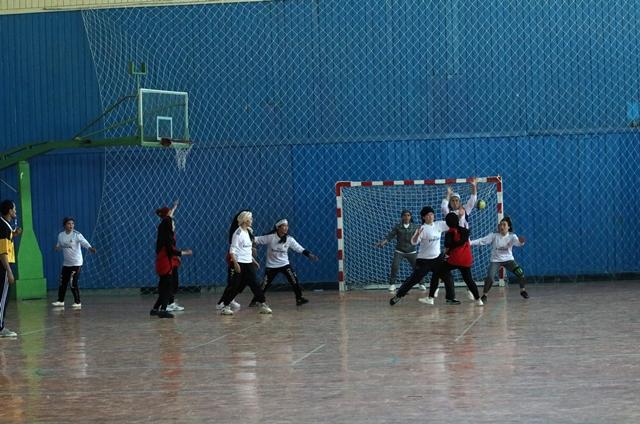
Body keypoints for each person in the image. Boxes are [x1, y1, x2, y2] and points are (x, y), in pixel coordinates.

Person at [389, 206, 459, 306]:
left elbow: (453, 224)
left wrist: (458, 215)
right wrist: (417, 235)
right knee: (414, 279)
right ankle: (399, 295)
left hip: (437, 259)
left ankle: (450, 298)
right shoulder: (421, 229)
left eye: (432, 214)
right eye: (428, 215)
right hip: (424, 260)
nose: (430, 216)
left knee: (447, 276)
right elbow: (413, 242)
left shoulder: (439, 224)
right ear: (423, 217)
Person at [249, 218, 318, 306]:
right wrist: (247, 235)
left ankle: (299, 298)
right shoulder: (271, 237)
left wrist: (309, 254)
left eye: (287, 226)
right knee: (264, 285)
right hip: (271, 266)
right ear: (278, 227)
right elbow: (256, 239)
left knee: (294, 280)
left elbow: (299, 248)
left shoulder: (289, 239)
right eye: (284, 226)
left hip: (284, 264)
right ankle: (255, 301)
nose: (286, 228)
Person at [219, 211, 272, 316]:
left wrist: (254, 260)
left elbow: (246, 250)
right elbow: (232, 250)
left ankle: (263, 304)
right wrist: (235, 263)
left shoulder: (249, 231)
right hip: (239, 263)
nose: (252, 221)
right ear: (245, 220)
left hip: (248, 264)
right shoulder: (237, 233)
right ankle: (225, 306)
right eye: (250, 219)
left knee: (255, 285)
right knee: (235, 286)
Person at [470, 216, 528, 302]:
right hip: (496, 260)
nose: (502, 227)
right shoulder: (494, 236)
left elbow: (518, 243)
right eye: (500, 225)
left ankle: (522, 290)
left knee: (520, 272)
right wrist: (470, 243)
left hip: (508, 260)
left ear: (508, 227)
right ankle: (485, 295)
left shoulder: (512, 236)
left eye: (504, 225)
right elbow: (482, 241)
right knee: (490, 277)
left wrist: (521, 241)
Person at [431, 212, 483, 306]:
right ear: (458, 221)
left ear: (447, 223)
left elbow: (448, 246)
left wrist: (446, 254)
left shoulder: (449, 233)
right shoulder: (465, 231)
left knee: (438, 272)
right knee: (469, 280)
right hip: (466, 259)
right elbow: (461, 242)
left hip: (454, 259)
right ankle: (478, 299)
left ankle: (432, 295)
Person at [441, 178, 478, 300]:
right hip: (452, 244)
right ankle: (436, 289)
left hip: (463, 245)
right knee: (442, 267)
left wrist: (473, 185)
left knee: (466, 273)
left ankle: (470, 290)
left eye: (457, 200)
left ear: (460, 202)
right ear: (450, 202)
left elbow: (473, 199)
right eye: (453, 200)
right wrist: (448, 194)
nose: (455, 202)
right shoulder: (448, 214)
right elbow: (443, 206)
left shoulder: (465, 210)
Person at [151, 211, 192, 318]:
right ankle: (163, 310)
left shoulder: (163, 236)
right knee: (167, 288)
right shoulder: (167, 239)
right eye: (173, 224)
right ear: (169, 226)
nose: (174, 225)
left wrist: (173, 209)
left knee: (165, 287)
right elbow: (171, 251)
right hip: (165, 265)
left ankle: (155, 309)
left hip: (162, 263)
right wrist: (184, 253)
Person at [51, 217, 96, 309]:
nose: (71, 225)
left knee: (72, 282)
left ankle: (77, 302)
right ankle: (60, 301)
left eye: (72, 224)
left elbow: (84, 242)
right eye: (69, 224)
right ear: (64, 225)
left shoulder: (77, 235)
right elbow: (59, 246)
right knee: (62, 282)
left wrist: (90, 248)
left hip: (76, 263)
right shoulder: (61, 235)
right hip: (66, 264)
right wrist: (56, 248)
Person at [375, 210, 423, 292]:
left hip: (411, 251)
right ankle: (392, 284)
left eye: (408, 215)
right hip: (399, 251)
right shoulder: (398, 227)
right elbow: (390, 236)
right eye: (405, 215)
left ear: (410, 217)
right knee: (395, 266)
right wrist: (383, 242)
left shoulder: (415, 227)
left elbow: (421, 237)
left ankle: (421, 283)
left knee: (417, 268)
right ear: (402, 217)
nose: (406, 217)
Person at [216, 210, 249, 311]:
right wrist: (235, 261)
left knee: (242, 282)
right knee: (232, 282)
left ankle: (231, 298)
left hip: (245, 259)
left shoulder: (247, 230)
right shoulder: (237, 231)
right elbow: (234, 248)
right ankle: (222, 302)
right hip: (235, 258)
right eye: (248, 218)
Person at [156, 201, 186, 312]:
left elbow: (169, 215)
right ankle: (166, 304)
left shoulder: (167, 226)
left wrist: (174, 207)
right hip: (169, 257)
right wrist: (181, 253)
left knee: (172, 282)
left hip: (172, 256)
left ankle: (169, 303)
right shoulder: (166, 227)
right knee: (170, 282)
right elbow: (169, 248)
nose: (174, 223)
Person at [0, 200, 21, 338]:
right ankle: (0, 328)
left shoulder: (5, 226)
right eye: (14, 209)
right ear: (9, 211)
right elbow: (2, 252)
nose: (15, 211)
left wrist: (14, 234)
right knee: (2, 298)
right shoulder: (3, 227)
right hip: (2, 267)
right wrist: (9, 271)